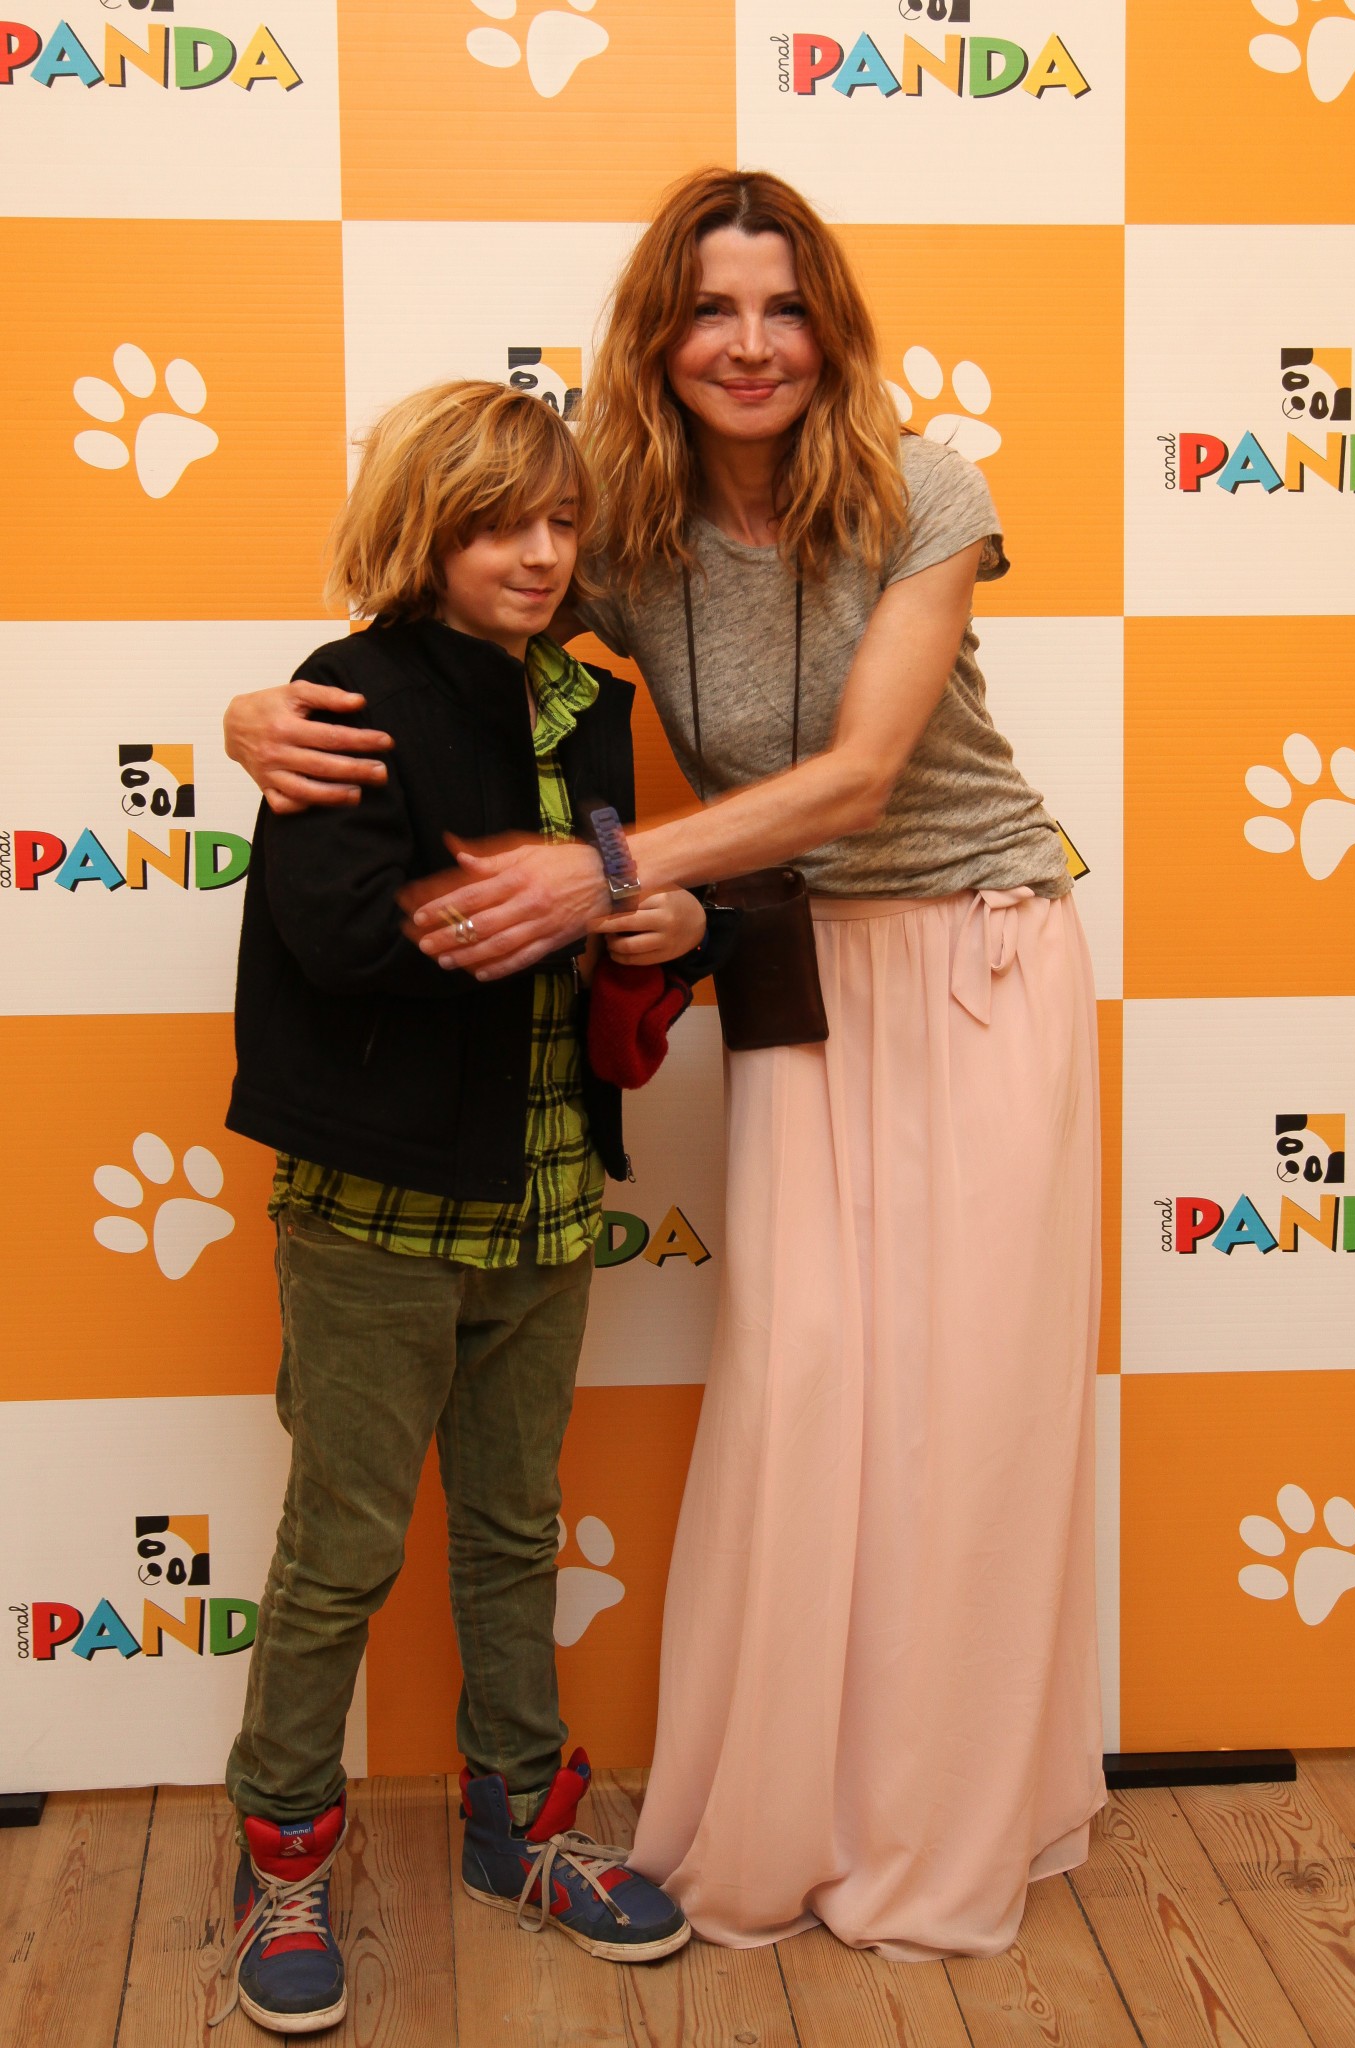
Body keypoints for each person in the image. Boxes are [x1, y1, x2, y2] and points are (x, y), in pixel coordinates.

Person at [223, 170, 1105, 1964]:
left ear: (832, 330)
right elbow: (435, 622)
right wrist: (255, 714)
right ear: (657, 335)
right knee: (806, 1391)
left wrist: (608, 875)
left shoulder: (926, 490)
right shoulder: (614, 534)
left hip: (975, 948)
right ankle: (776, 1808)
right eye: (712, 307)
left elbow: (860, 780)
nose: (752, 344)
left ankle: (933, 1820)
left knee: (967, 1418)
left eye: (786, 308)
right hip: (790, 965)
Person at [215, 381, 711, 2036]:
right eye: (500, 524)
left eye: (563, 522)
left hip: (548, 1197)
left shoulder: (591, 702)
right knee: (340, 1548)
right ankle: (283, 1849)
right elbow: (341, 934)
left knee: (513, 1532)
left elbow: (634, 883)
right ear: (426, 531)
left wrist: (667, 922)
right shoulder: (346, 692)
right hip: (373, 1209)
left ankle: (524, 1828)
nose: (540, 553)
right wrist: (555, 901)